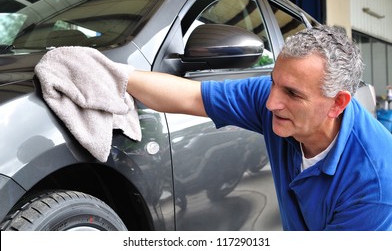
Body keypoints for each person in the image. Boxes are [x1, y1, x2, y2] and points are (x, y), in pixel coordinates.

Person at [126, 25, 392, 230]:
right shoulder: (275, 97)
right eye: (273, 82)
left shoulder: (375, 185)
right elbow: (191, 96)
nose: (272, 102)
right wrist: (118, 75)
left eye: (292, 93)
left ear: (337, 103)